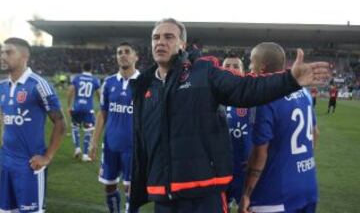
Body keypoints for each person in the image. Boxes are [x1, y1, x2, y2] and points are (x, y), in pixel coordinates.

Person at [129, 18, 329, 213]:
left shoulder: (203, 72)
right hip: (163, 196)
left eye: (169, 37)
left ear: (182, 44)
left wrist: (290, 79)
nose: (160, 42)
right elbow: (142, 143)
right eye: (156, 38)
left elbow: (247, 88)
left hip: (204, 195)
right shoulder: (144, 86)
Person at [239, 42, 320, 213]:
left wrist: (246, 194)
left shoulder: (264, 97)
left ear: (261, 68)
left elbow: (260, 153)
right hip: (307, 185)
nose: (249, 67)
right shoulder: (303, 91)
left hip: (275, 194)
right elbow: (315, 133)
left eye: (251, 63)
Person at [0, 37, 66, 212]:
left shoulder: (38, 85)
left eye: (8, 52)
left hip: (29, 165)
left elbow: (60, 122)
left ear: (24, 56)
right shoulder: (3, 86)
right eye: (1, 52)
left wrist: (47, 157)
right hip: (5, 163)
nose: (2, 56)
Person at [89, 42, 140, 213]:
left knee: (131, 190)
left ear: (135, 57)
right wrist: (94, 142)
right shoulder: (109, 82)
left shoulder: (144, 82)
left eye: (127, 52)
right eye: (119, 52)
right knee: (109, 186)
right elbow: (102, 113)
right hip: (110, 145)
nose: (123, 55)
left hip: (133, 147)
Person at [222, 54, 253, 211]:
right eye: (227, 66)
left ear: (243, 71)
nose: (231, 69)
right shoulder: (213, 97)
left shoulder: (252, 97)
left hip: (245, 168)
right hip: (221, 168)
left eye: (236, 66)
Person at [67, 62, 100, 162]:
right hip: (88, 109)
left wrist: (69, 105)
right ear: (91, 69)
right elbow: (99, 93)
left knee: (75, 127)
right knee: (88, 130)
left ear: (82, 68)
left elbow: (70, 90)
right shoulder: (95, 79)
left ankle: (77, 148)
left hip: (76, 108)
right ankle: (85, 155)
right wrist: (101, 104)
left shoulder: (77, 78)